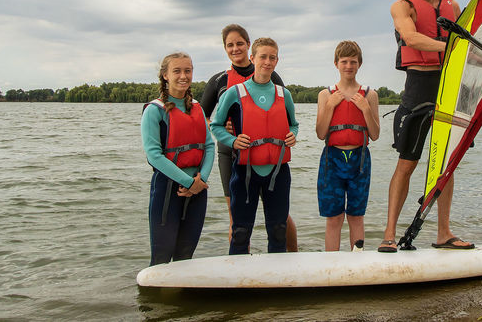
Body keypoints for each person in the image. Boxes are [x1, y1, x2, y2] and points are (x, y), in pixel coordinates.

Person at [378, 0, 474, 252]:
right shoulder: (401, 6)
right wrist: (450, 48)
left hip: (447, 88)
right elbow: (412, 38)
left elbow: (468, 47)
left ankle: (443, 232)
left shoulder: (453, 5)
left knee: (447, 164)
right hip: (418, 86)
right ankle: (389, 234)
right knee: (407, 163)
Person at [201, 24, 298, 252]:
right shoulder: (222, 83)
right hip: (237, 158)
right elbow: (207, 120)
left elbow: (289, 121)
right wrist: (230, 137)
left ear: (247, 47)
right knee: (239, 224)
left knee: (279, 223)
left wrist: (292, 135)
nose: (235, 48)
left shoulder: (280, 86)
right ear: (254, 57)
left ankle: (290, 262)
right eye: (230, 45)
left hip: (275, 164)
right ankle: (239, 271)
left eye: (239, 43)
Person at [141, 52, 215, 265]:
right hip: (167, 190)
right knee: (161, 259)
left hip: (198, 189)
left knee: (185, 258)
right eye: (177, 71)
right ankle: (152, 299)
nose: (183, 76)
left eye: (188, 70)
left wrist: (200, 181)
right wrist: (189, 183)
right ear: (165, 75)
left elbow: (209, 146)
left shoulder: (198, 108)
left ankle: (181, 296)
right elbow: (154, 156)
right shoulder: (154, 111)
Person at [315, 40, 380, 251]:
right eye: (344, 62)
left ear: (359, 64)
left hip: (359, 160)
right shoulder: (326, 95)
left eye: (353, 62)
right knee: (333, 218)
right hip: (332, 160)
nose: (348, 66)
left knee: (356, 215)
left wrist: (366, 110)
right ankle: (331, 265)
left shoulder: (370, 95)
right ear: (336, 64)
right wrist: (330, 107)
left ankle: (357, 261)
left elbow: (376, 134)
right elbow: (320, 133)